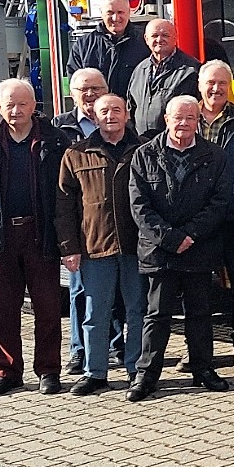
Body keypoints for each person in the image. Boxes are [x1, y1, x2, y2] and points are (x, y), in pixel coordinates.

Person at [0, 79, 71, 397]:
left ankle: (49, 371)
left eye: (22, 104)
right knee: (3, 311)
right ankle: (7, 372)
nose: (16, 110)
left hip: (40, 235)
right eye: (9, 105)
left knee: (48, 308)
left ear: (34, 106)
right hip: (0, 237)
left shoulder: (54, 139)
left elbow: (67, 191)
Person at [126, 96, 232, 401]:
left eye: (190, 118)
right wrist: (171, 238)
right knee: (157, 315)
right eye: (178, 117)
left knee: (200, 313)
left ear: (198, 121)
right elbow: (139, 205)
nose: (183, 123)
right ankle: (146, 375)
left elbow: (220, 201)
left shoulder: (215, 155)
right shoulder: (145, 154)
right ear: (166, 119)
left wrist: (190, 234)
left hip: (199, 247)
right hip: (159, 250)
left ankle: (203, 369)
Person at [56, 94, 146, 395]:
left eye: (116, 110)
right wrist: (69, 247)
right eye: (104, 111)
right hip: (95, 246)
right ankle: (95, 373)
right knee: (95, 313)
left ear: (127, 115)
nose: (111, 116)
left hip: (136, 246)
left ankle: (137, 370)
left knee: (138, 311)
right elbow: (64, 206)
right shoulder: (76, 154)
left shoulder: (143, 151)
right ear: (94, 117)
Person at [192, 60, 234, 369]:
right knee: (197, 288)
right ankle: (197, 349)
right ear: (199, 86)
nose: (216, 89)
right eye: (210, 83)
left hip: (232, 217)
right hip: (197, 219)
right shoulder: (187, 116)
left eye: (222, 83)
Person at [52, 68, 110, 377]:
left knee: (112, 292)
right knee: (78, 292)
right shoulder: (58, 128)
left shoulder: (119, 122)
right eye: (83, 89)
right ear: (72, 94)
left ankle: (113, 346)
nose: (90, 94)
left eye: (96, 88)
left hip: (110, 224)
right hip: (79, 224)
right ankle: (79, 350)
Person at [66, 0, 149, 99]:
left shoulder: (145, 42)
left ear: (129, 12)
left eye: (120, 12)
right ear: (101, 13)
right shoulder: (83, 46)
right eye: (110, 13)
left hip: (133, 109)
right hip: (96, 109)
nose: (115, 18)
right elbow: (76, 85)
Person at [125, 19, 200, 139]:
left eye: (165, 35)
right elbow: (131, 107)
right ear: (146, 39)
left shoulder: (192, 70)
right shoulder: (139, 70)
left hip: (175, 143)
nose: (159, 40)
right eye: (154, 36)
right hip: (142, 144)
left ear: (175, 37)